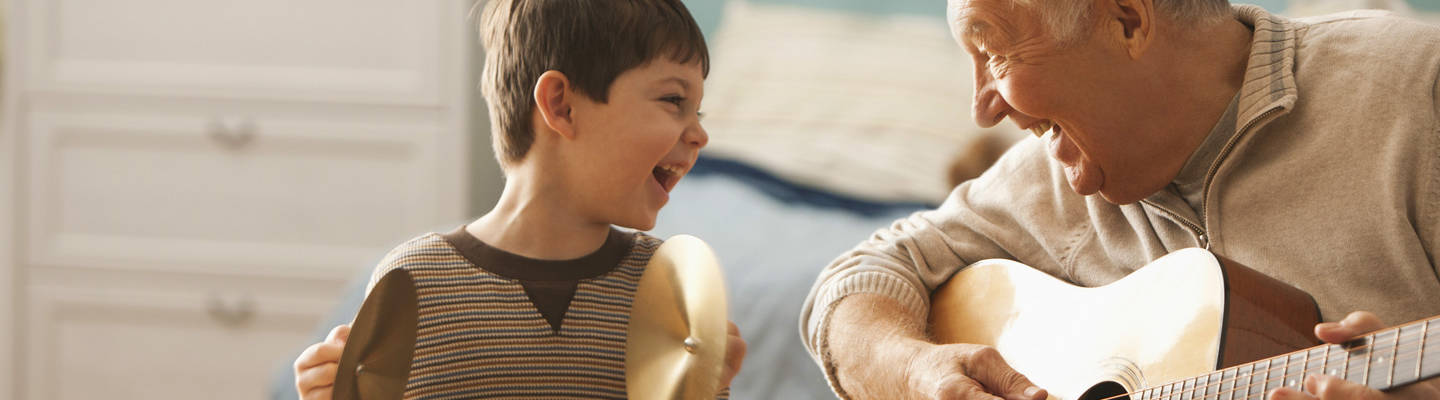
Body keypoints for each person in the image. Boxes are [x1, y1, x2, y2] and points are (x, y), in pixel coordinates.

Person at [799, 0, 1440, 399]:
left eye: (994, 52)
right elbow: (860, 277)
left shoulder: (1417, 91)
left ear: (1128, 21)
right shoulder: (1049, 180)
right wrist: (915, 373)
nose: (983, 109)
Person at [291, 1, 747, 398]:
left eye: (698, 111)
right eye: (673, 100)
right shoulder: (413, 282)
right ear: (561, 105)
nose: (700, 134)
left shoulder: (670, 297)